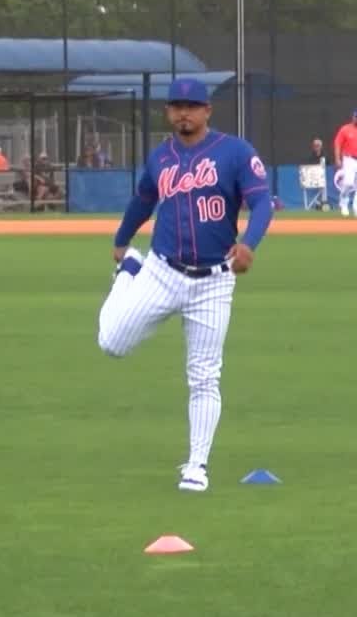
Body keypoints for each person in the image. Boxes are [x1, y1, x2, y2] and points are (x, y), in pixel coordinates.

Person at [96, 78, 273, 492]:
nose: (184, 113)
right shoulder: (161, 157)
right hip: (161, 271)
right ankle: (128, 273)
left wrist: (249, 243)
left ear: (208, 110)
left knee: (204, 376)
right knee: (111, 343)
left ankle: (197, 465)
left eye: (192, 106)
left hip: (213, 281)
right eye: (176, 106)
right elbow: (143, 200)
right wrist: (123, 240)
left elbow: (263, 202)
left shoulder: (235, 153)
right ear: (167, 112)